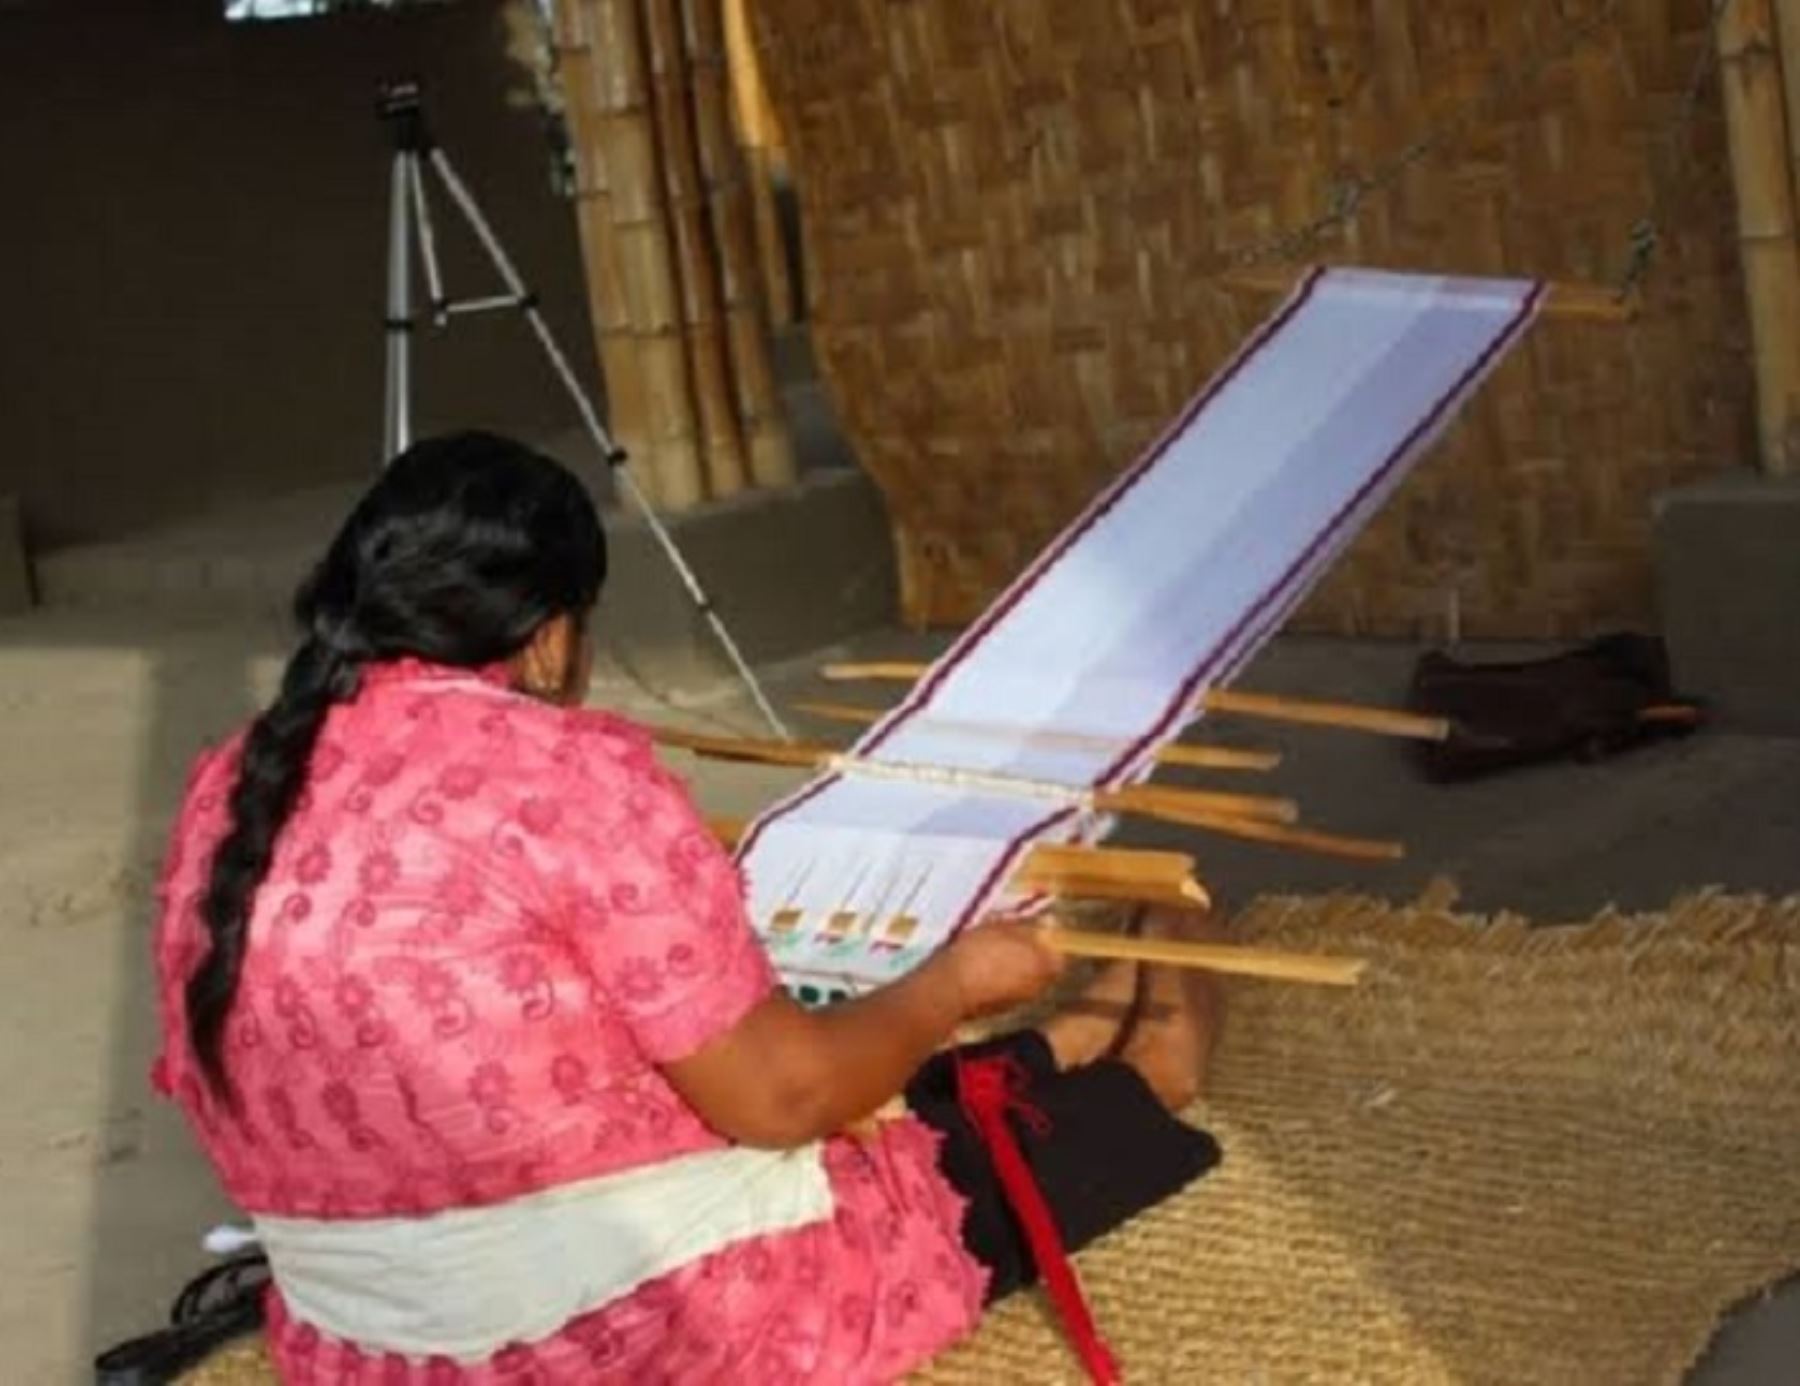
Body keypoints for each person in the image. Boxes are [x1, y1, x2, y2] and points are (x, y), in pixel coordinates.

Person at [150, 431, 1223, 1384]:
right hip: (619, 1336)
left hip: (374, 1345)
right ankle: (1166, 975)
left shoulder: (236, 781)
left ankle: (1068, 1036)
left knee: (909, 1085)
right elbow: (783, 1100)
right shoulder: (561, 774)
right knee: (1114, 1095)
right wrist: (953, 984)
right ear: (549, 636)